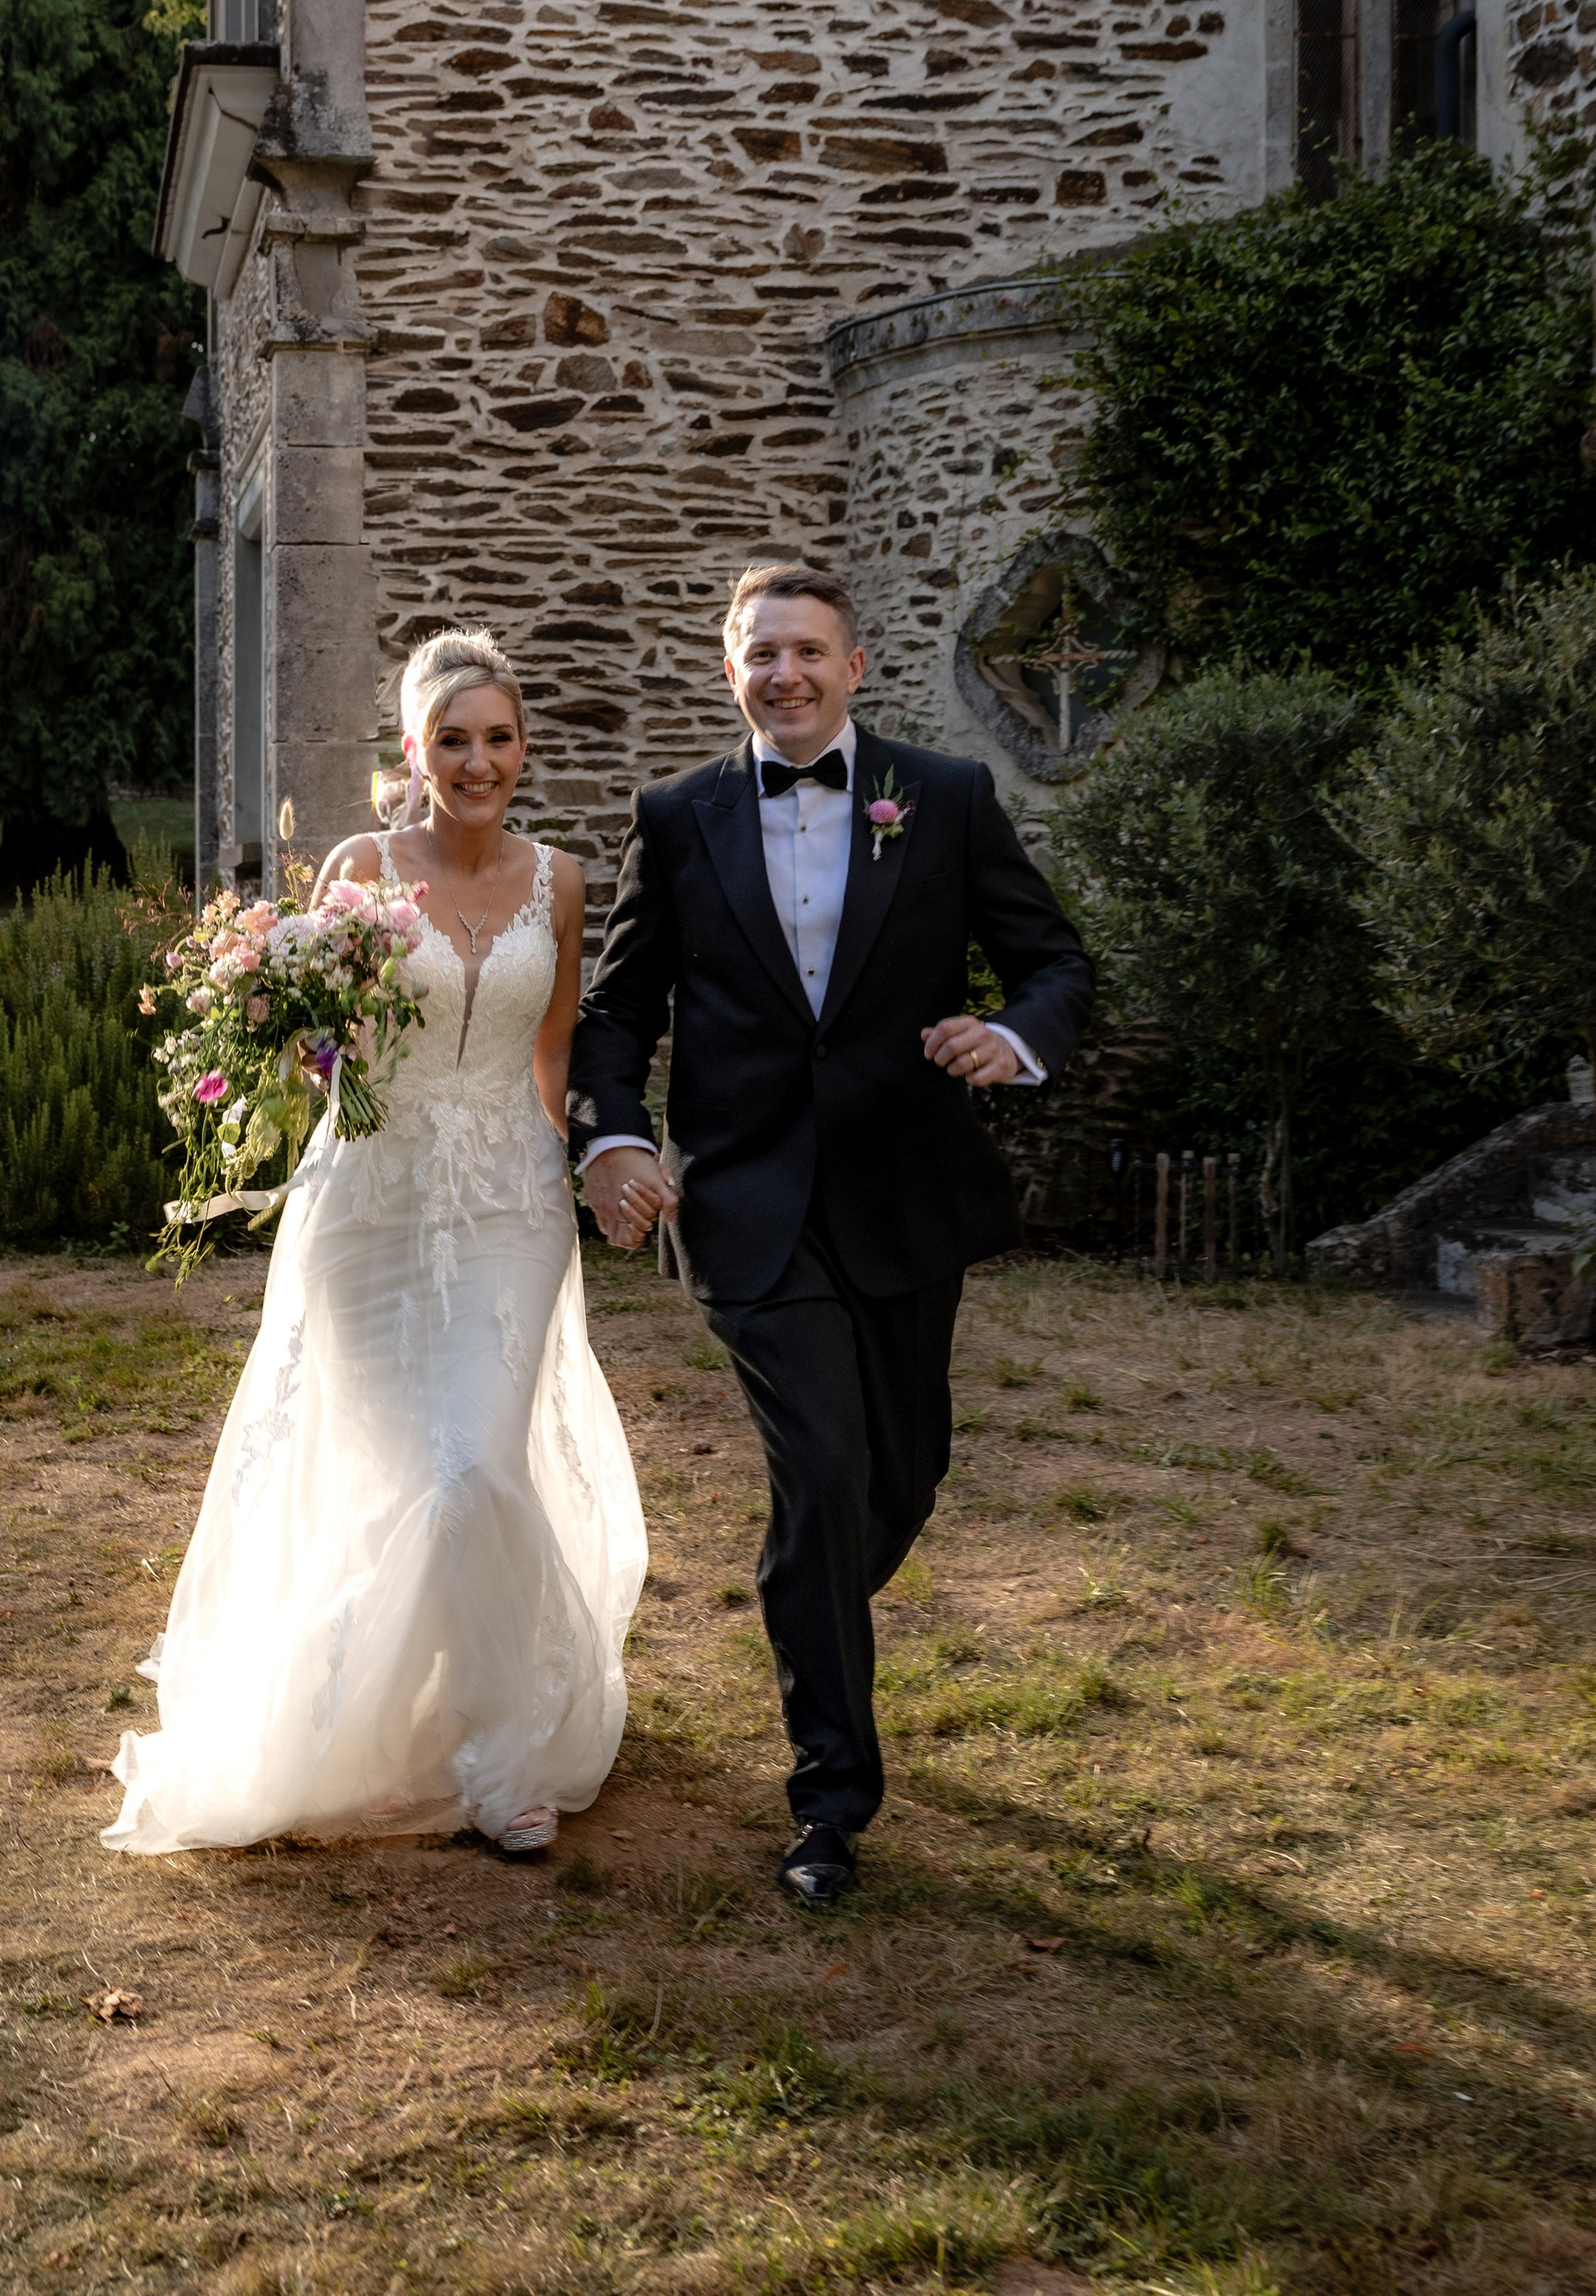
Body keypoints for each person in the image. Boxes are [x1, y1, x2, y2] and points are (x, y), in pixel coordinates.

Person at [568, 560, 1094, 1906]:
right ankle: (828, 1803)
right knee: (823, 1466)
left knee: (898, 1476)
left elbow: (1052, 961)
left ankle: (813, 1604)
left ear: (855, 669)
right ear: (728, 668)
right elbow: (619, 1012)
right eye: (761, 654)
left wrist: (1013, 1035)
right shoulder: (678, 820)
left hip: (905, 1190)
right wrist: (616, 1134)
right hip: (744, 1202)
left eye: (809, 652)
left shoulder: (948, 800)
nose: (785, 675)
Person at [106, 629, 645, 1859]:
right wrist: (290, 1051)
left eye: (499, 739)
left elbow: (553, 1048)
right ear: (414, 751)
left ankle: (502, 1749)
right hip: (373, 1209)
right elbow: (323, 1046)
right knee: (406, 1478)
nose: (477, 761)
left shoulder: (559, 881)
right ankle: (398, 1713)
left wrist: (588, 1169)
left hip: (509, 1205)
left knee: (476, 1473)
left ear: (523, 750)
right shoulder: (357, 868)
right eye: (453, 740)